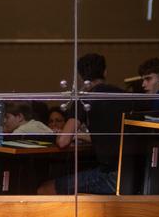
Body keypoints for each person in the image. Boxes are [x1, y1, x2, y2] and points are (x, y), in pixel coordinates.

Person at [39, 53, 142, 195]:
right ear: (105, 72)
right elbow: (111, 137)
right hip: (136, 173)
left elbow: (62, 141)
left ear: (81, 77)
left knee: (44, 189)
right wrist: (81, 136)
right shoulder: (122, 95)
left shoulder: (84, 100)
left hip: (111, 176)